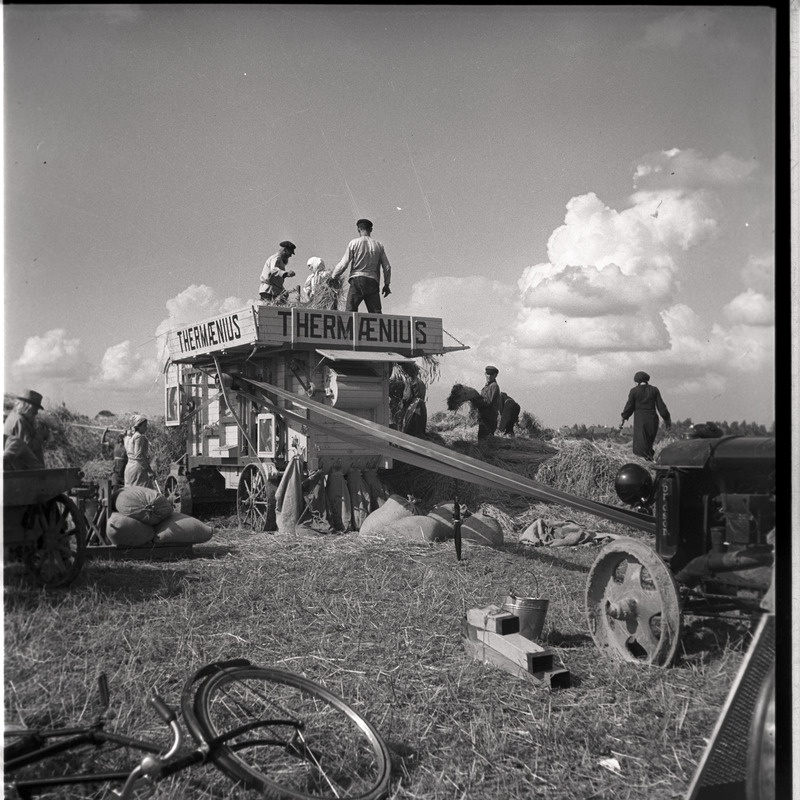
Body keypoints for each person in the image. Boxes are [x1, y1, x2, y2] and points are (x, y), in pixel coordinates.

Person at [330, 219, 391, 313]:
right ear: (371, 229)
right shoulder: (379, 245)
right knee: (376, 314)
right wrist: (386, 284)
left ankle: (351, 327)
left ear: (358, 229)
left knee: (350, 312)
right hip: (373, 282)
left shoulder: (354, 243)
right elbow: (387, 267)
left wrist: (333, 276)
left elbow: (344, 263)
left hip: (357, 280)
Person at [620, 371, 671, 460]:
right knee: (648, 444)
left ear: (638, 381)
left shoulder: (634, 391)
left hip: (641, 422)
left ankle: (645, 465)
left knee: (641, 447)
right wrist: (667, 420)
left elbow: (629, 407)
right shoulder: (654, 390)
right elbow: (661, 407)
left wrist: (623, 418)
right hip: (653, 421)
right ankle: (650, 461)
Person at [3, 389, 47, 470]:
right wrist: (41, 435)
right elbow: (28, 446)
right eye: (35, 409)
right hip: (26, 472)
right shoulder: (19, 420)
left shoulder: (15, 417)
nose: (36, 413)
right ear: (28, 407)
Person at [124, 414, 157, 489]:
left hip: (129, 468)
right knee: (144, 493)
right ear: (138, 426)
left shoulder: (128, 437)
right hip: (138, 469)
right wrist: (149, 470)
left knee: (131, 492)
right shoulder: (139, 437)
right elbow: (138, 456)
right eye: (144, 426)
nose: (146, 428)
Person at [474, 366, 502, 440]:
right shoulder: (487, 386)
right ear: (485, 374)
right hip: (484, 417)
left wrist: (476, 401)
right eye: (487, 374)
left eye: (491, 374)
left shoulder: (494, 386)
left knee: (485, 440)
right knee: (482, 439)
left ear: (495, 375)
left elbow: (488, 402)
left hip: (489, 418)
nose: (489, 376)